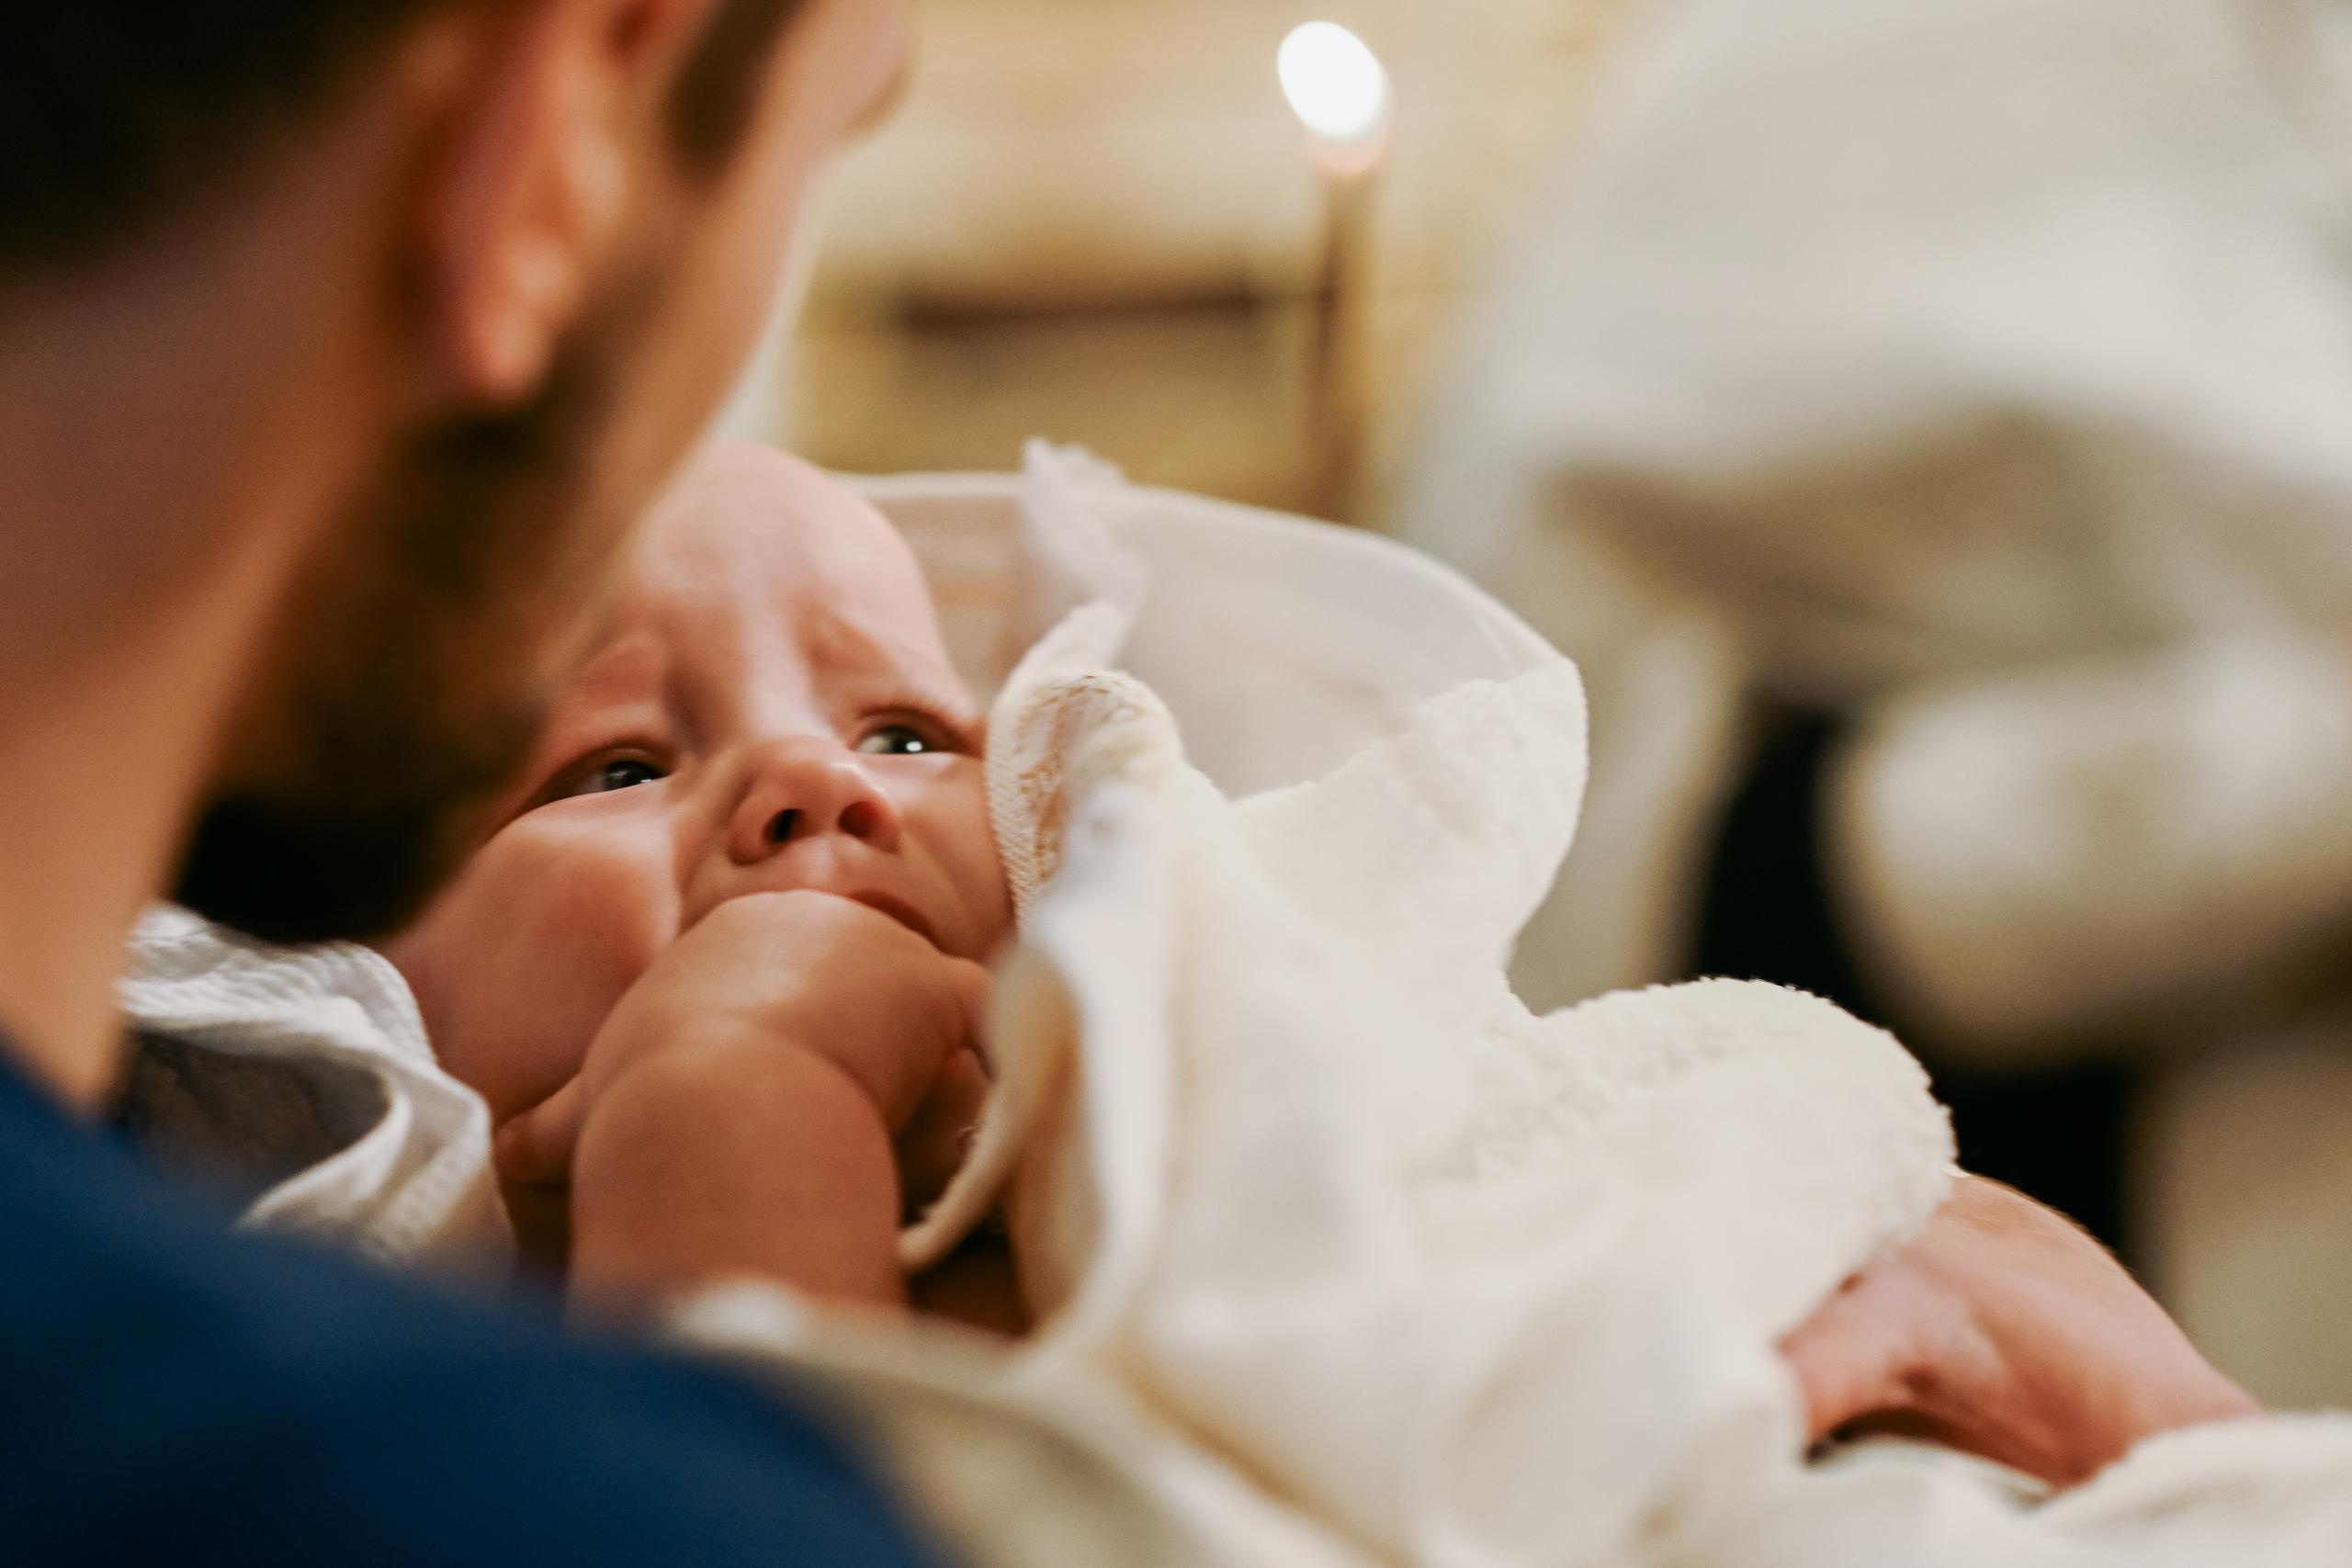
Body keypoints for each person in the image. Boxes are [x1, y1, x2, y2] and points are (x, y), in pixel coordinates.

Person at [0, 4, 2262, 1563]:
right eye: (603, 759)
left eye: (909, 728)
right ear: (561, 121)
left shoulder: (1149, 1066)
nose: (812, 790)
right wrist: (726, 1097)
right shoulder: (402, 1411)